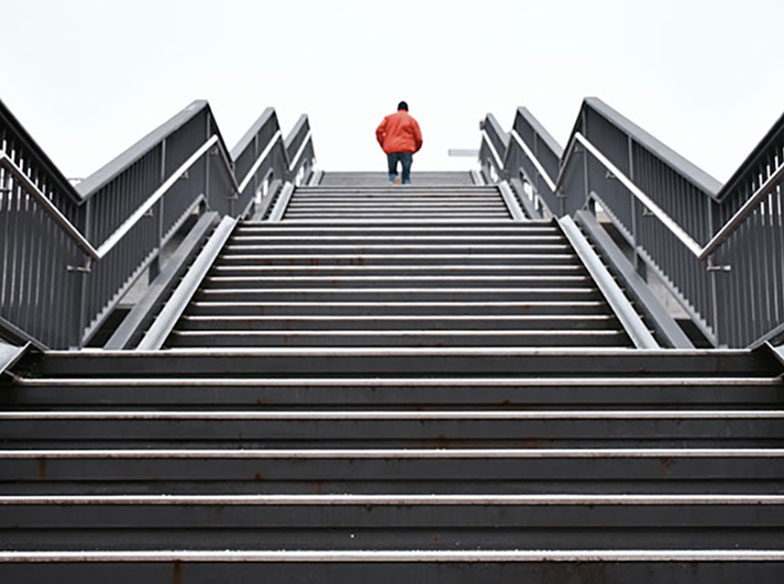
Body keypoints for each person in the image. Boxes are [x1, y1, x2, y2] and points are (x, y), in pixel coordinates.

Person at [376, 101, 423, 185]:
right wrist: (415, 148)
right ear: (407, 109)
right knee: (406, 172)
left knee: (392, 170)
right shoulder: (411, 120)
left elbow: (378, 131)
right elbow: (418, 137)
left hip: (391, 148)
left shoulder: (388, 118)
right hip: (406, 149)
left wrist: (383, 143)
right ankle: (406, 185)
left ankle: (394, 180)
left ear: (398, 109)